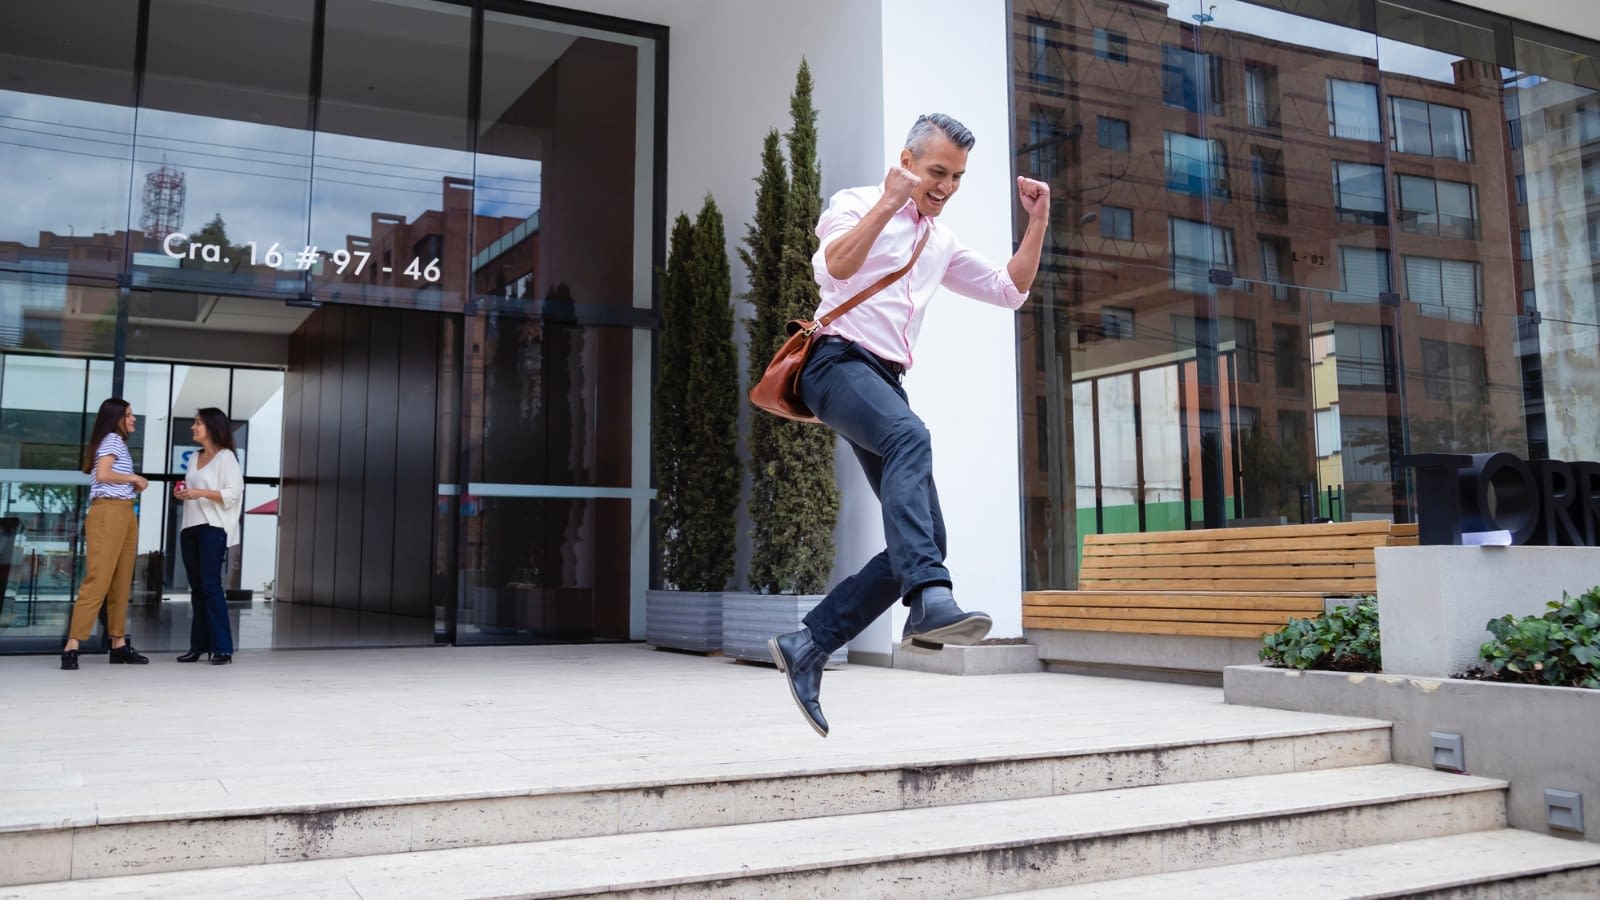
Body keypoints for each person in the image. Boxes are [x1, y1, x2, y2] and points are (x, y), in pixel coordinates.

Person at [768, 113, 1049, 736]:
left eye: (957, 177)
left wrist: (1036, 223)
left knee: (923, 539)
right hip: (835, 362)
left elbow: (1009, 290)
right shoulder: (858, 202)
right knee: (910, 437)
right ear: (907, 161)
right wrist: (890, 201)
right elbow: (836, 267)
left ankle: (810, 643)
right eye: (936, 172)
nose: (946, 186)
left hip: (883, 382)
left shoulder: (939, 241)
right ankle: (929, 601)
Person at [61, 399, 150, 669]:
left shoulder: (118, 443)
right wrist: (133, 478)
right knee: (98, 578)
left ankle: (118, 644)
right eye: (130, 415)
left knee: (122, 581)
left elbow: (110, 477)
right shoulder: (112, 439)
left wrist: (131, 487)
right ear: (117, 418)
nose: (134, 419)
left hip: (124, 512)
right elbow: (102, 474)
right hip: (108, 513)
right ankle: (72, 645)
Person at [173, 407, 244, 665]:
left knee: (211, 587)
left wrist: (201, 493)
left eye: (198, 423)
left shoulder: (226, 458)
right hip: (189, 528)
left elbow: (233, 493)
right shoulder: (194, 457)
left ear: (212, 427)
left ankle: (223, 648)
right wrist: (181, 492)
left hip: (212, 527)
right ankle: (199, 646)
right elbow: (190, 486)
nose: (193, 427)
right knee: (197, 590)